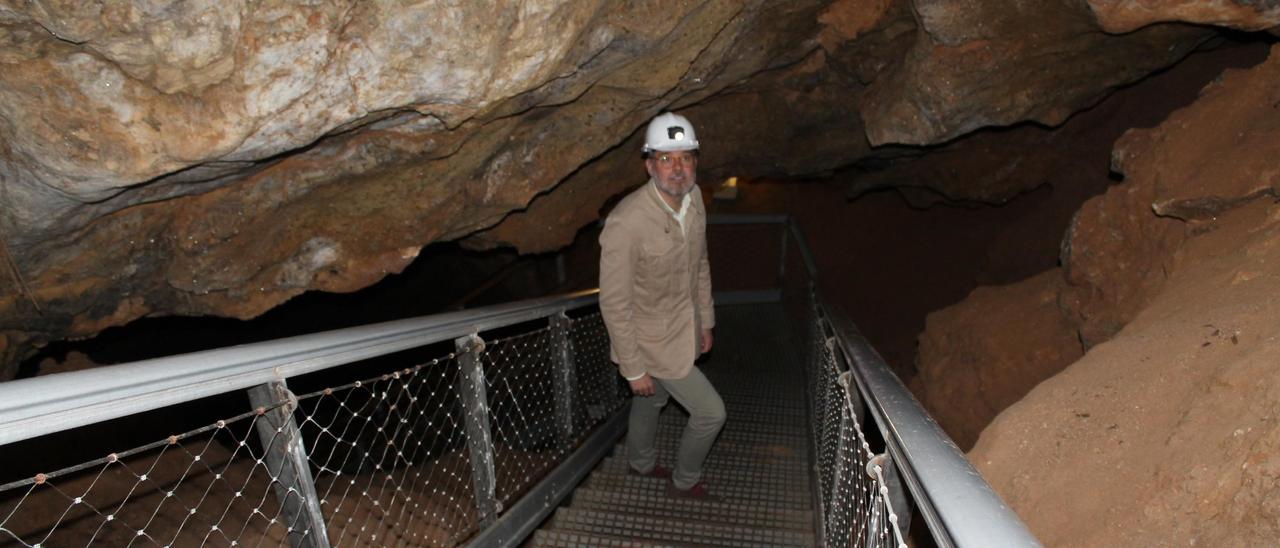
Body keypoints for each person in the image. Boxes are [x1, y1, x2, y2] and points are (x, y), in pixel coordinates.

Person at [598, 112, 725, 500]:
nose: (678, 168)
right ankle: (684, 481)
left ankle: (640, 463)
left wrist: (705, 320)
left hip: (683, 327)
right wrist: (634, 367)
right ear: (649, 164)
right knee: (710, 413)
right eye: (667, 159)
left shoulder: (695, 198)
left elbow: (699, 262)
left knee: (654, 399)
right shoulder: (627, 221)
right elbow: (614, 301)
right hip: (649, 341)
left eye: (685, 158)